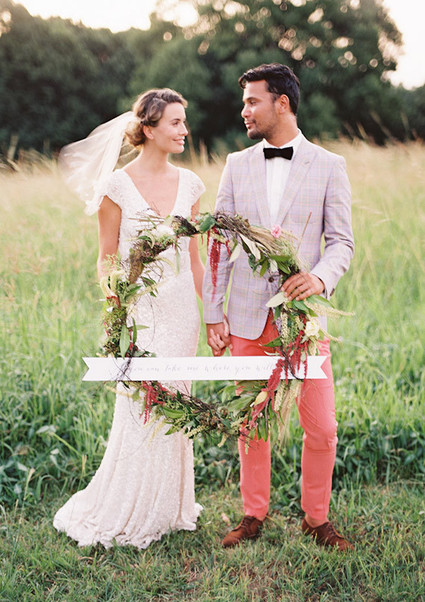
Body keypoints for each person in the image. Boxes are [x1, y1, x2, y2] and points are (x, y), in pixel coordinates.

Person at [203, 64, 355, 551]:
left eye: (252, 101)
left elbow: (342, 242)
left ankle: (316, 518)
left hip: (304, 324)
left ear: (282, 103)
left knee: (323, 427)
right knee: (252, 422)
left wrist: (320, 277)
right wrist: (213, 312)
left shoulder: (330, 165)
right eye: (244, 102)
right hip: (247, 316)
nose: (244, 110)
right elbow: (220, 242)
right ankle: (253, 514)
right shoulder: (236, 164)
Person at [54, 89, 206, 548]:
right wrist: (117, 309)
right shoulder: (116, 187)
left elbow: (194, 260)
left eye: (184, 121)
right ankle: (128, 506)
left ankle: (169, 506)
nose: (184, 130)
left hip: (182, 312)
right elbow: (106, 258)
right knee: (141, 408)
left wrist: (213, 315)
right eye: (175, 122)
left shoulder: (192, 185)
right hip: (140, 315)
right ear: (148, 129)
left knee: (176, 403)